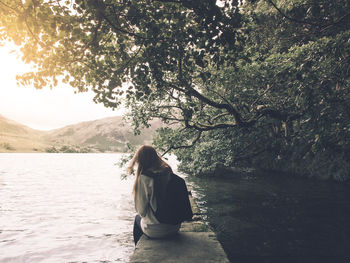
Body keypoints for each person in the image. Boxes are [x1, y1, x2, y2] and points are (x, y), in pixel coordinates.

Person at [127, 145, 181, 245]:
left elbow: (141, 211)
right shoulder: (167, 171)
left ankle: (139, 254)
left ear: (140, 161)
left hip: (157, 231)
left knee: (137, 219)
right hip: (175, 226)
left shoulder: (144, 178)